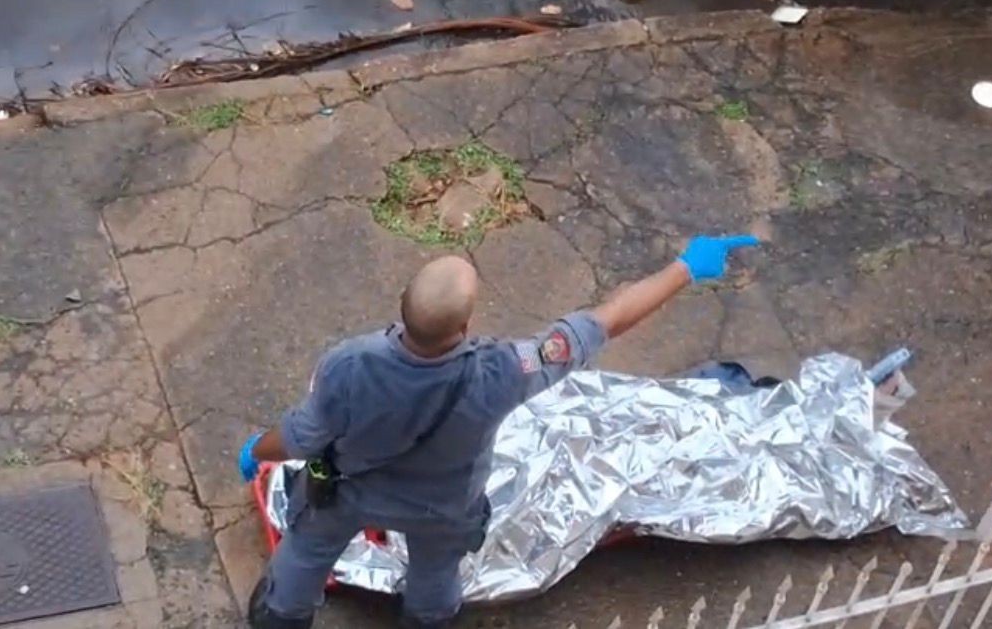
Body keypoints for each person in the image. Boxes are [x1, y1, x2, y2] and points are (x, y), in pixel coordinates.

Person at [236, 234, 760, 628]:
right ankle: (427, 620)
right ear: (464, 327)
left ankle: (282, 615)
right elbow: (606, 321)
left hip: (347, 493)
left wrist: (257, 450)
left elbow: (303, 435)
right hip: (441, 507)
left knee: (306, 548)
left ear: (401, 304)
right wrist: (685, 267)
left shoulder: (348, 364)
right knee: (436, 571)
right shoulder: (505, 372)